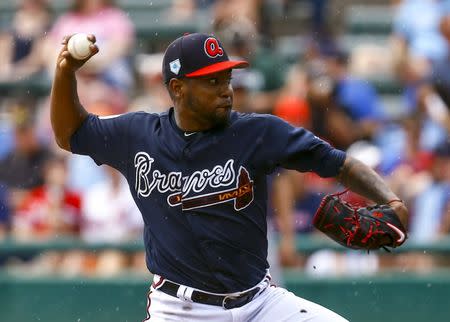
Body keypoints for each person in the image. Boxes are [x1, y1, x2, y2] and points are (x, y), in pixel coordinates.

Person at [50, 32, 408, 322]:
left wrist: (391, 200)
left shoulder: (259, 133)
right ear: (178, 89)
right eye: (211, 81)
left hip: (260, 303)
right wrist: (66, 73)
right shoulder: (138, 135)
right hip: (180, 310)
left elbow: (340, 163)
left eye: (226, 78)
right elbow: (70, 133)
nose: (226, 89)